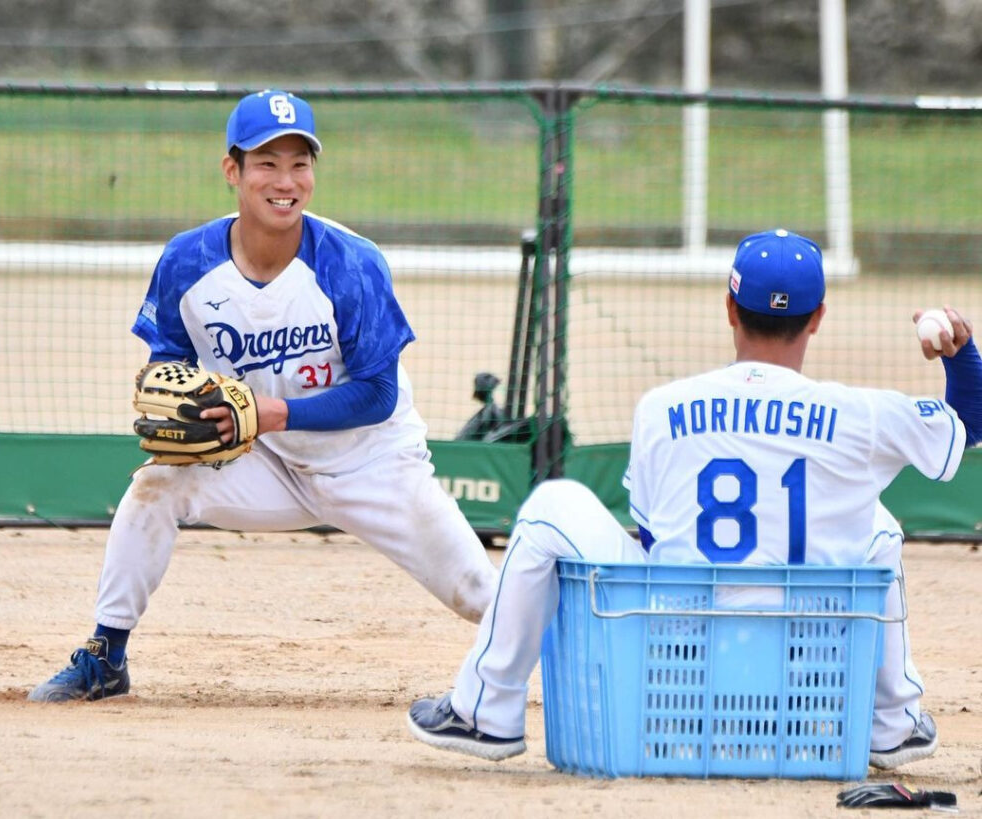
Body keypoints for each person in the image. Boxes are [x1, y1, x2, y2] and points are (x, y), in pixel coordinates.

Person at [406, 228, 982, 769]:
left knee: (549, 507)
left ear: (730, 309)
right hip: (807, 666)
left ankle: (486, 713)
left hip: (680, 665)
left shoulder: (663, 407)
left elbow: (653, 536)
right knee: (878, 524)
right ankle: (893, 724)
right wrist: (960, 354)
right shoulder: (864, 414)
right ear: (819, 319)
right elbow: (969, 423)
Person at [28, 89, 498, 702]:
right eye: (267, 163)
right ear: (234, 171)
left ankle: (581, 661)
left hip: (373, 463)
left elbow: (380, 395)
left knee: (481, 596)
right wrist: (179, 405)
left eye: (300, 163)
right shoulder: (187, 260)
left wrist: (271, 412)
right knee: (156, 485)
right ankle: (105, 655)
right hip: (267, 461)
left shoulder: (350, 263)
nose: (286, 180)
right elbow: (169, 366)